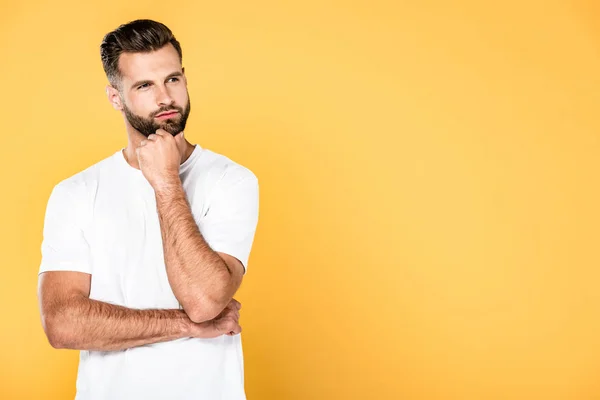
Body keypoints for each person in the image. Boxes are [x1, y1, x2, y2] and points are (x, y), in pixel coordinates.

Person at [37, 19, 259, 400]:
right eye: (144, 85)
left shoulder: (232, 180)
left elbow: (204, 301)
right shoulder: (76, 193)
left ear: (185, 79)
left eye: (172, 79)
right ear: (115, 97)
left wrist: (166, 181)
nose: (165, 98)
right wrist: (187, 327)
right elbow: (62, 324)